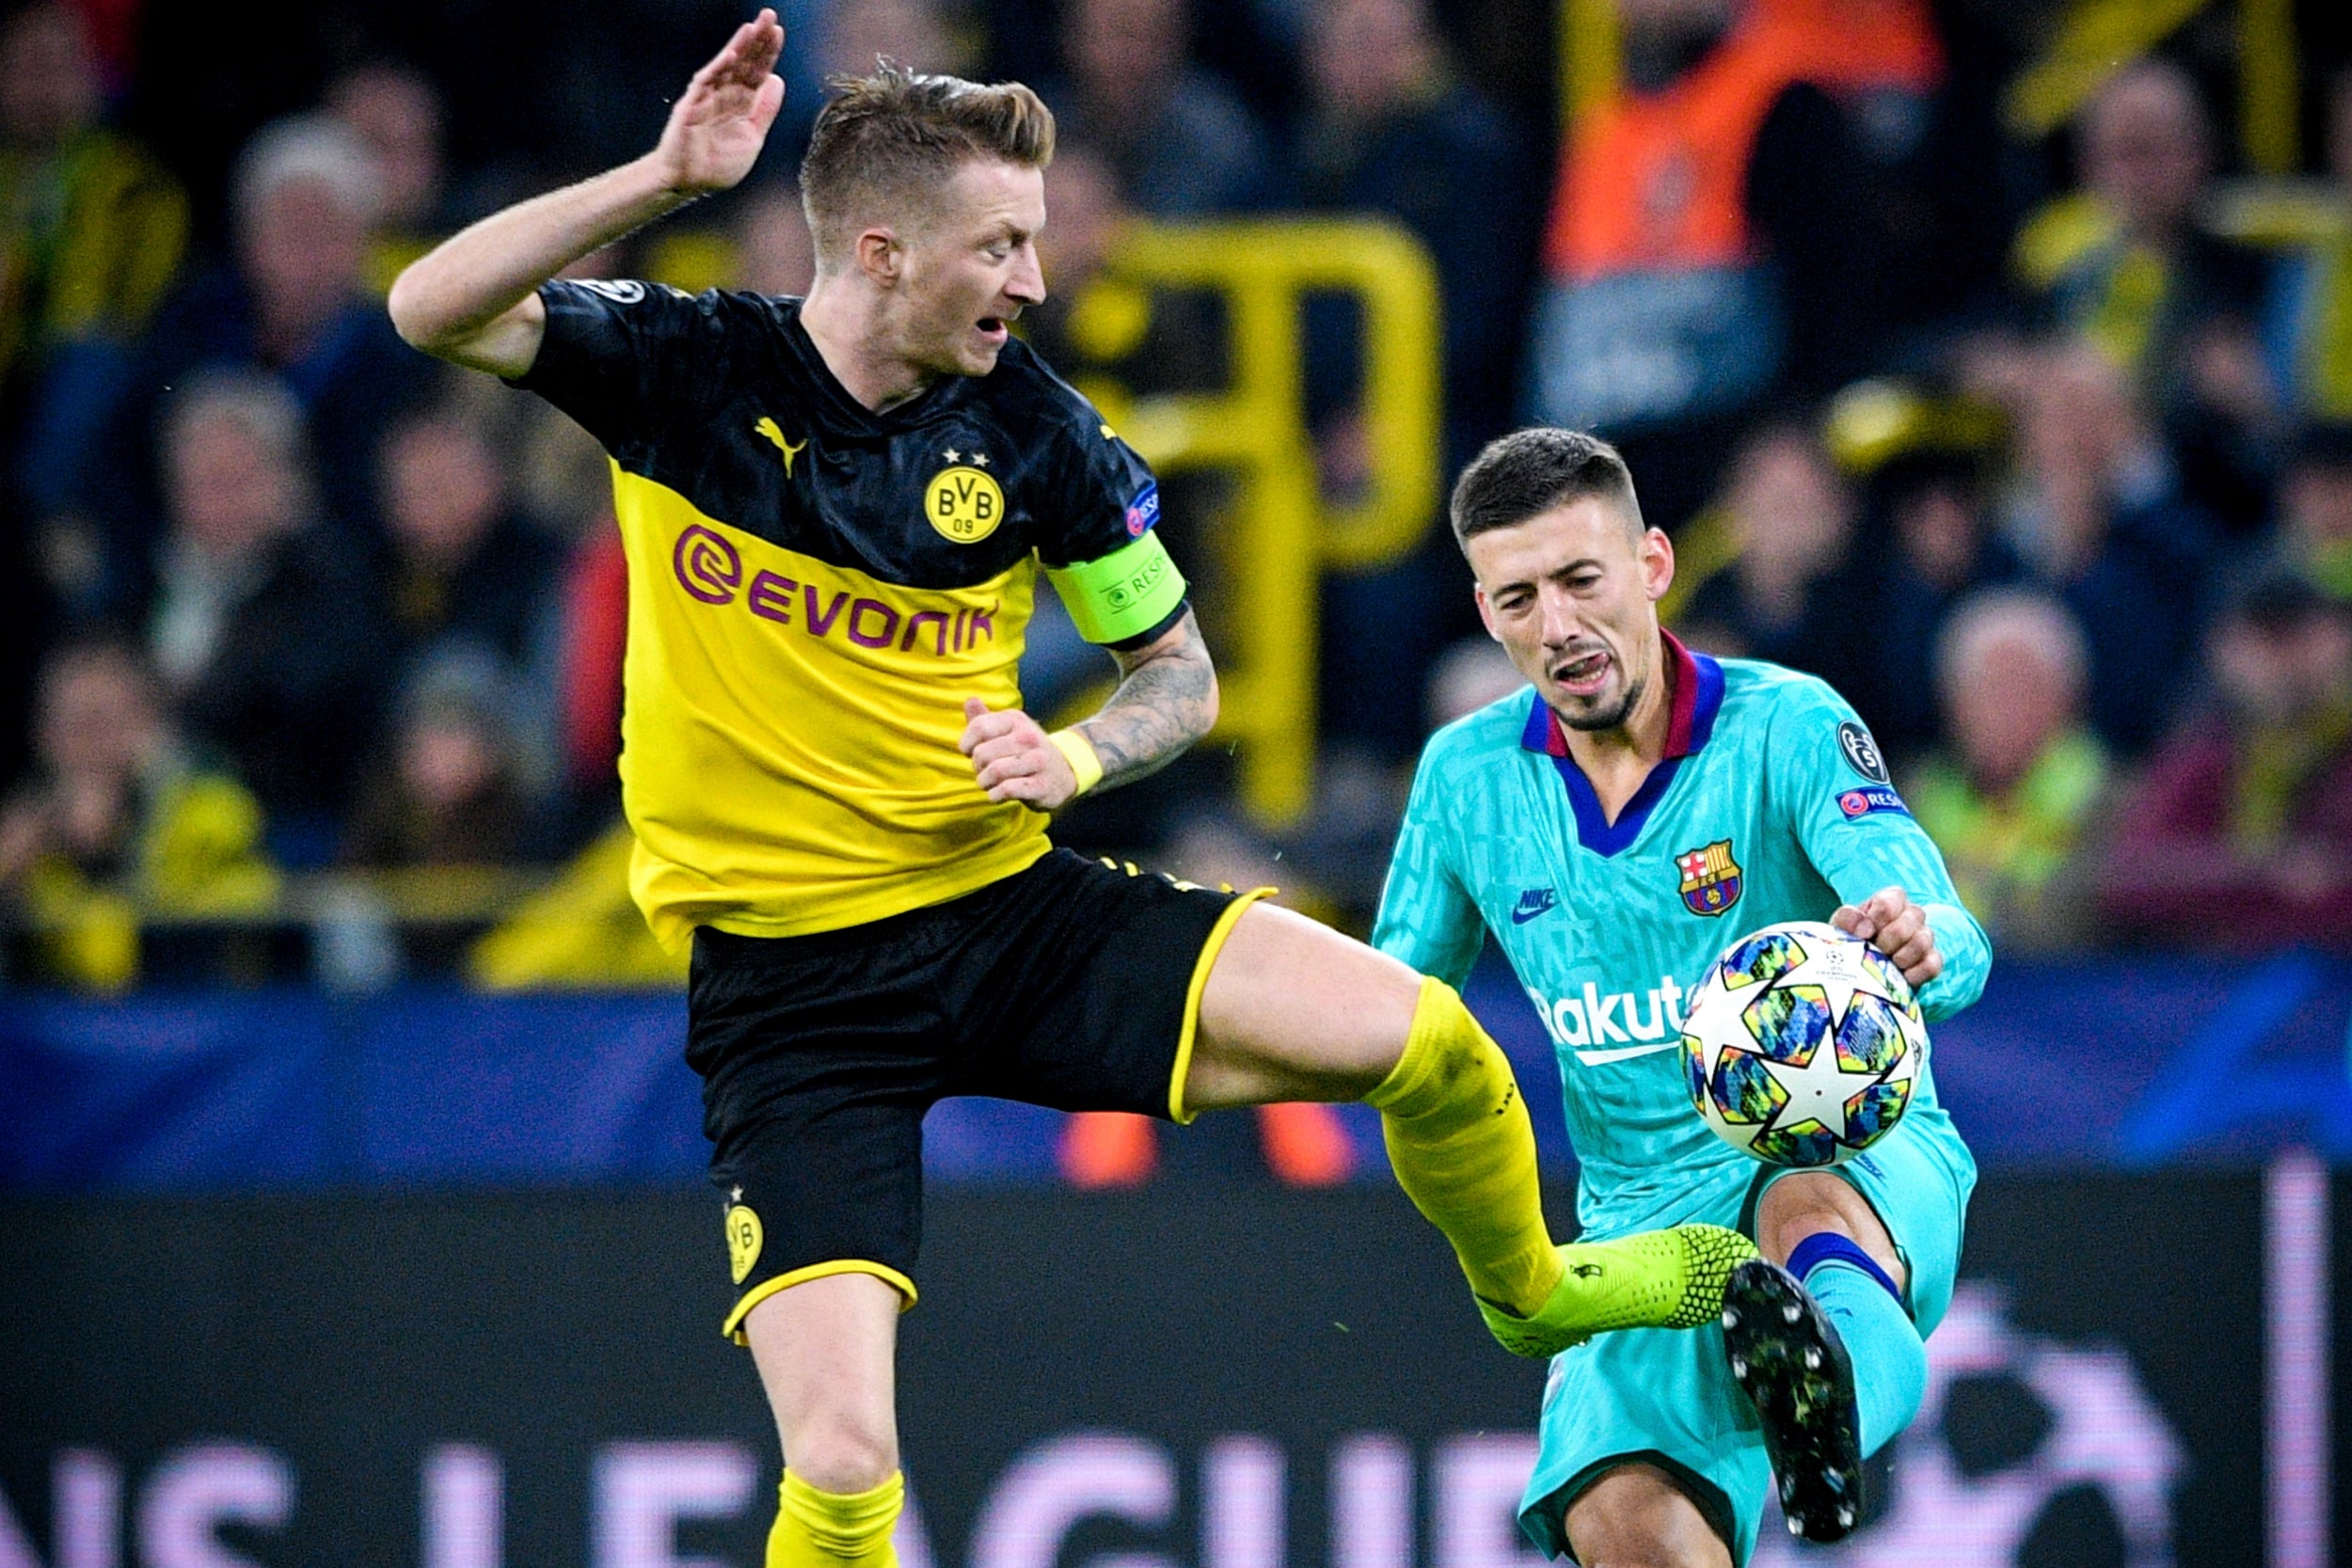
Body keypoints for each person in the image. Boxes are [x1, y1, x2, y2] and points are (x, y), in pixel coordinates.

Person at [387, 20, 1749, 1567]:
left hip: (1007, 916)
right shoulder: (688, 370)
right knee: (842, 1469)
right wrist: (660, 177)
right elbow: (430, 307)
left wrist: (1079, 755)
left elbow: (1181, 676)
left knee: (1433, 1042)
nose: (1035, 280)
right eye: (1002, 246)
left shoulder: (1036, 430)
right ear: (885, 252)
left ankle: (1539, 1291)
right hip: (791, 998)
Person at [1375, 427, 1988, 1557]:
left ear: (1653, 563)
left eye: (1580, 579)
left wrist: (1917, 942)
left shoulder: (1787, 722)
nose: (1557, 625)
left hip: (1842, 1145)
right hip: (1638, 1223)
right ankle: (1796, 1392)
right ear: (1484, 612)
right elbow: (1388, 1012)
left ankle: (1828, 1403)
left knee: (1798, 1203)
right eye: (1518, 598)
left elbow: (1949, 929)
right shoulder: (1464, 778)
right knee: (1619, 1521)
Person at [2096, 571, 2352, 952]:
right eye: (2266, 639)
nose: (2286, 660)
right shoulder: (2205, 754)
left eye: (2302, 635)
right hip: (2225, 975)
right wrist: (2262, 874)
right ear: (2225, 650)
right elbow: (2131, 878)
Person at [1906, 588, 2107, 953]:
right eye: (1989, 688)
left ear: (2068, 699)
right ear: (1953, 705)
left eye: (2025, 687)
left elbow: (2087, 922)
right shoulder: (1905, 797)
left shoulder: (2112, 799)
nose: (2006, 708)